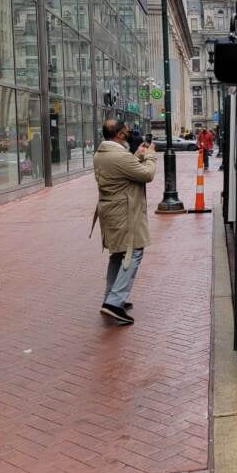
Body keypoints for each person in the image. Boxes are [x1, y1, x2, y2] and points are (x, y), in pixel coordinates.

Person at [92, 119, 156, 325]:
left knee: (118, 254)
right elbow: (146, 174)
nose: (129, 135)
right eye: (126, 133)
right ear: (119, 135)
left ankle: (111, 297)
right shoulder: (119, 155)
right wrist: (151, 156)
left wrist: (137, 155)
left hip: (111, 211)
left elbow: (124, 168)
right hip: (125, 213)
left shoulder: (101, 154)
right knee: (133, 251)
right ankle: (114, 302)